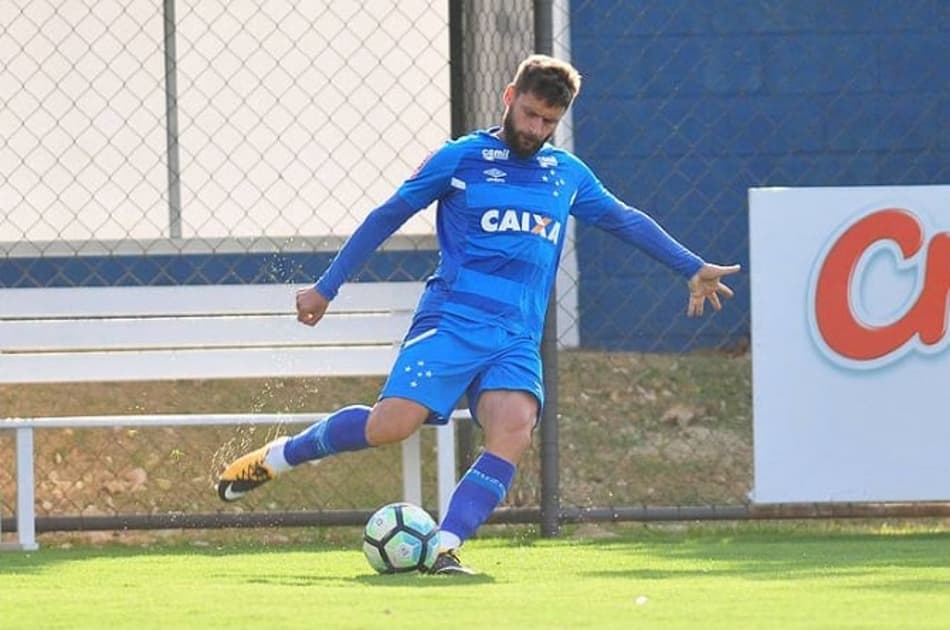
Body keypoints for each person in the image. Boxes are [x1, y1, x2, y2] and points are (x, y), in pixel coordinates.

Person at [216, 54, 740, 575]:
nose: (536, 129)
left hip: (515, 336)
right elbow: (387, 215)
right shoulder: (462, 157)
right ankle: (281, 456)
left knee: (514, 427)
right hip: (451, 322)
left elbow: (626, 220)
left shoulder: (567, 174)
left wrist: (690, 267)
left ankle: (444, 546)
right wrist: (327, 287)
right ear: (510, 97)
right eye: (531, 113)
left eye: (549, 122)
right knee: (390, 426)